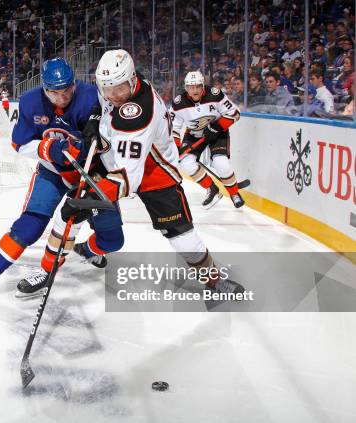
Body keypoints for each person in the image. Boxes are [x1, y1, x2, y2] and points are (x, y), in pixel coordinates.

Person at [19, 51, 244, 298]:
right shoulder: (123, 84)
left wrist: (89, 202)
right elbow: (104, 103)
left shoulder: (137, 114)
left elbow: (127, 178)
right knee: (68, 219)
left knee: (182, 238)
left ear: (133, 79)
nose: (114, 96)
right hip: (113, 159)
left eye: (119, 89)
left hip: (155, 173)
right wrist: (95, 119)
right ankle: (47, 270)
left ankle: (213, 280)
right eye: (108, 89)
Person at [0, 58, 119, 303]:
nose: (62, 96)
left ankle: (86, 249)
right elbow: (19, 144)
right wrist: (49, 149)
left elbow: (116, 137)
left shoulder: (94, 97)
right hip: (53, 172)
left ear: (74, 84)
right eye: (55, 92)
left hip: (91, 175)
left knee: (113, 239)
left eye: (67, 89)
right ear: (45, 89)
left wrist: (99, 140)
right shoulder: (30, 101)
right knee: (30, 224)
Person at [170, 70, 245, 209]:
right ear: (186, 88)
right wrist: (176, 147)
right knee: (185, 162)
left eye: (198, 86)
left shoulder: (215, 94)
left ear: (203, 86)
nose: (195, 90)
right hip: (193, 134)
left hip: (217, 133)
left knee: (221, 164)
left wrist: (217, 126)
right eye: (191, 87)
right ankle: (212, 190)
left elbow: (235, 113)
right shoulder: (178, 103)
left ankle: (234, 193)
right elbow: (173, 128)